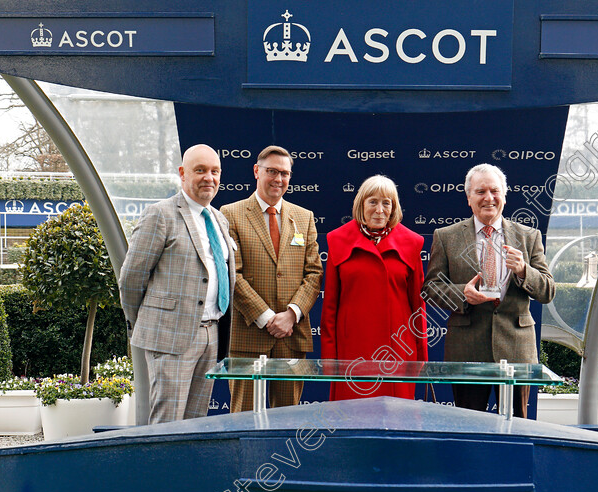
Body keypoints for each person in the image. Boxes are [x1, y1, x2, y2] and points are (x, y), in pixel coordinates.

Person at [422, 163, 555, 417]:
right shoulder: (446, 236)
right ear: (468, 198)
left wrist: (524, 270)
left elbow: (548, 290)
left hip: (517, 351)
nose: (489, 198)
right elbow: (431, 288)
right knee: (469, 427)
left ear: (504, 195)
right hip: (467, 350)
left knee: (517, 428)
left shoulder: (529, 236)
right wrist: (463, 294)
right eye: (480, 191)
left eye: (495, 190)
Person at [119, 144, 236, 423]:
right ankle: (159, 469)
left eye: (214, 171)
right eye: (200, 170)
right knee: (167, 424)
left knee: (195, 422)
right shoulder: (161, 214)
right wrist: (151, 321)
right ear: (182, 174)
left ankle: (187, 469)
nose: (209, 177)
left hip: (211, 334)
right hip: (170, 337)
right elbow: (131, 279)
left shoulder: (219, 219)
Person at [221, 145, 322, 412]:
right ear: (257, 171)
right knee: (243, 418)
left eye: (285, 173)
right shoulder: (230, 214)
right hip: (248, 335)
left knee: (287, 420)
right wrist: (267, 317)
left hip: (292, 335)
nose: (279, 179)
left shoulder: (304, 217)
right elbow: (233, 274)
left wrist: (291, 315)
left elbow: (314, 274)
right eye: (272, 171)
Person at [321, 175, 427, 400]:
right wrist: (330, 360)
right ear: (361, 205)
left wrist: (421, 355)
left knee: (397, 422)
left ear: (393, 208)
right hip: (352, 352)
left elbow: (418, 306)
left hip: (398, 350)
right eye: (373, 202)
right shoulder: (337, 240)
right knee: (352, 421)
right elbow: (329, 306)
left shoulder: (412, 243)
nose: (379, 210)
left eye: (386, 203)